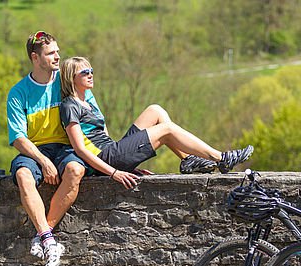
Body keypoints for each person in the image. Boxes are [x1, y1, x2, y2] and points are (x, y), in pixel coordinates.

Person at [58, 56, 254, 179]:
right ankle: (221, 158)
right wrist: (114, 172)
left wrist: (129, 162)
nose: (91, 75)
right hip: (106, 160)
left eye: (91, 71)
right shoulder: (69, 105)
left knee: (155, 110)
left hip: (113, 152)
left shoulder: (89, 102)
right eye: (85, 72)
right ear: (71, 77)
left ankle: (188, 160)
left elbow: (104, 135)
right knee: (166, 130)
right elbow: (81, 150)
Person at [6, 31, 91, 266]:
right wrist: (43, 161)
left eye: (57, 51)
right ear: (35, 58)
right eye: (51, 53)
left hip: (66, 147)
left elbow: (92, 118)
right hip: (35, 150)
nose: (58, 56)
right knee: (23, 174)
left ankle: (44, 235)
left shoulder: (67, 82)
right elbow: (18, 138)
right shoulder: (18, 92)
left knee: (75, 170)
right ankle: (47, 236)